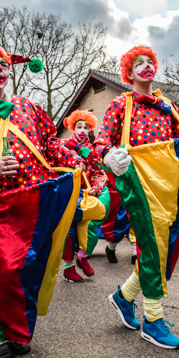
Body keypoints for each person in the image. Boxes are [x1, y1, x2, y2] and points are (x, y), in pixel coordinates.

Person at [0, 44, 85, 358]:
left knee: (30, 269)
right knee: (4, 271)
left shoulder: (29, 107)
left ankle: (18, 331)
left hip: (37, 201)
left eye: (4, 64)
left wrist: (73, 158)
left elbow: (50, 142)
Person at [93, 45, 179, 349]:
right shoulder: (121, 104)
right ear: (129, 72)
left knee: (157, 246)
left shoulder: (168, 105)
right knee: (153, 244)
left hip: (166, 185)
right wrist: (109, 155)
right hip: (136, 183)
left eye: (150, 62)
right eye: (139, 63)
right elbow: (100, 144)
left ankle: (124, 297)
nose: (146, 66)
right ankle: (153, 319)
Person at [61, 109, 106, 282]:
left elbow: (97, 171)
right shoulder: (63, 146)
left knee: (88, 226)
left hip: (87, 193)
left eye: (86, 127)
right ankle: (68, 268)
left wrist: (96, 186)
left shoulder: (91, 149)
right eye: (78, 126)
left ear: (90, 129)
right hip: (69, 192)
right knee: (69, 229)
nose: (82, 130)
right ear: (72, 127)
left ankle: (82, 257)